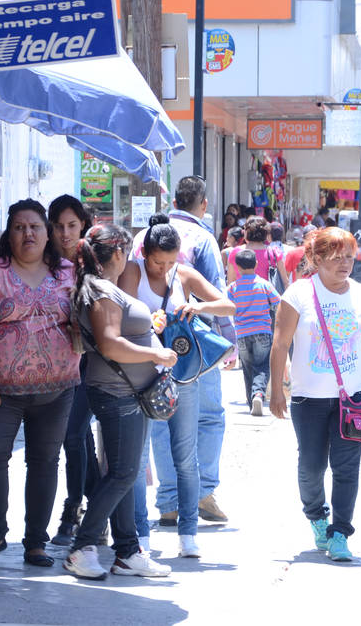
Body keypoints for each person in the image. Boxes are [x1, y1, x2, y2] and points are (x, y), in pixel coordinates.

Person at [268, 227, 361, 562]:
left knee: (346, 467)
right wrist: (276, 390)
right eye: (336, 257)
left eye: (350, 258)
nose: (345, 264)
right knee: (311, 467)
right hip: (308, 399)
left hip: (352, 399)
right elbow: (280, 343)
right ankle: (316, 516)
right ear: (315, 258)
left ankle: (340, 532)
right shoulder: (297, 294)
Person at [0, 199, 79, 567]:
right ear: (8, 234)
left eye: (35, 227)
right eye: (19, 227)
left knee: (45, 461)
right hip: (0, 389)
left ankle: (36, 543)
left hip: (57, 388)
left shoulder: (67, 272)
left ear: (47, 234)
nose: (27, 233)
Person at [63, 224, 175, 580]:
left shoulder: (102, 289)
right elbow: (110, 343)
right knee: (125, 472)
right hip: (117, 391)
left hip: (126, 391)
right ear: (117, 254)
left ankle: (127, 551)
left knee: (124, 474)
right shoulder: (101, 292)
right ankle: (83, 546)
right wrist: (156, 355)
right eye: (126, 254)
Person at [121, 214, 236, 556]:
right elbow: (121, 315)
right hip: (141, 375)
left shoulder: (183, 274)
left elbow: (228, 304)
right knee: (139, 459)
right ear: (145, 254)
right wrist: (148, 319)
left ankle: (188, 533)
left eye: (171, 261)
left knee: (185, 457)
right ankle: (140, 533)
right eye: (158, 261)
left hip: (181, 375)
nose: (164, 268)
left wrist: (196, 306)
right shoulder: (132, 272)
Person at [47, 195, 100, 546]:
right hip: (51, 365)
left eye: (72, 225)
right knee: (80, 439)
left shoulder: (93, 263)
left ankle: (73, 507)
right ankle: (99, 508)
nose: (65, 233)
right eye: (59, 226)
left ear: (83, 225)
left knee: (73, 436)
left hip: (91, 364)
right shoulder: (42, 263)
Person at [227, 249, 280, 417]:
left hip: (242, 333)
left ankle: (252, 403)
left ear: (237, 268)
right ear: (256, 264)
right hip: (263, 331)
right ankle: (258, 394)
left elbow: (226, 307)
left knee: (248, 369)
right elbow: (278, 302)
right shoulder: (264, 284)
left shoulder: (233, 288)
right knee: (263, 365)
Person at [226, 216, 283, 285]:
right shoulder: (274, 252)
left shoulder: (236, 252)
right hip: (268, 295)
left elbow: (231, 282)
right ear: (266, 233)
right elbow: (285, 282)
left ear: (246, 232)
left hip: (241, 295)